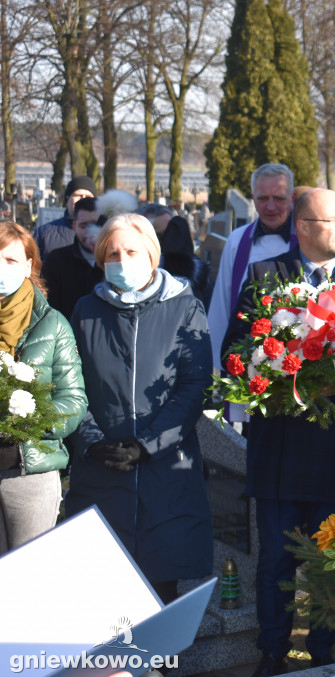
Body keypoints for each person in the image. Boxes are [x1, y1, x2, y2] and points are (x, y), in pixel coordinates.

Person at [222, 188, 335, 677]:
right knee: (276, 560)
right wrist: (279, 371)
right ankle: (272, 651)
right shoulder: (265, 275)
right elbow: (234, 348)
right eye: (333, 220)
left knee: (333, 556)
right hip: (279, 446)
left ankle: (324, 650)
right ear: (302, 227)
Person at [64, 213, 213, 605]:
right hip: (101, 470)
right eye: (112, 253)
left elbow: (194, 386)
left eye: (131, 251)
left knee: (158, 591)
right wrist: (92, 440)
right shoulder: (86, 310)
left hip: (164, 471)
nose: (122, 261)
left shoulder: (185, 307)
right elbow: (71, 386)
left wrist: (147, 444)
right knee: (103, 593)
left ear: (151, 254)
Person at [0, 222, 86, 554]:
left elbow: (74, 399)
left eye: (10, 260)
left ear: (28, 266)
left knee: (27, 572)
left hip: (29, 474)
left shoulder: (52, 324)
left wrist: (34, 417)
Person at [207, 163, 297, 372]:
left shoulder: (306, 240)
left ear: (292, 198)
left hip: (295, 362)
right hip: (244, 360)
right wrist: (218, 365)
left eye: (279, 198)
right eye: (263, 198)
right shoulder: (237, 241)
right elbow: (222, 304)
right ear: (253, 198)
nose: (271, 207)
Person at [34, 176, 97, 261]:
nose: (84, 199)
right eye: (78, 195)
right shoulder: (44, 234)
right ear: (67, 201)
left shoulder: (104, 233)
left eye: (88, 196)